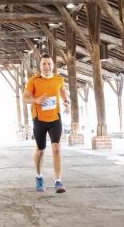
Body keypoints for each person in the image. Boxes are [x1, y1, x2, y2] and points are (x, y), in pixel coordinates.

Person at [23, 54, 70, 193]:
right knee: (40, 151)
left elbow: (62, 90)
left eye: (49, 64)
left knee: (56, 148)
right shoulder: (34, 80)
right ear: (40, 66)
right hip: (39, 120)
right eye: (44, 64)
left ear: (53, 65)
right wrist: (36, 100)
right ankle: (39, 177)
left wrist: (66, 102)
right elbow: (25, 98)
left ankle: (58, 181)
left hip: (55, 119)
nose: (47, 67)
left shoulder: (59, 79)